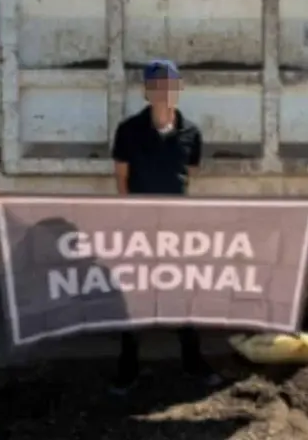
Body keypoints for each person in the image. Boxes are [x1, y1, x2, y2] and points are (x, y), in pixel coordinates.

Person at [108, 59, 222, 395]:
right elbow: (122, 180)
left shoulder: (192, 133)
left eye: (169, 84)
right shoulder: (128, 131)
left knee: (182, 295)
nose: (163, 92)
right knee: (134, 297)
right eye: (156, 85)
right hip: (140, 229)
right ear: (146, 91)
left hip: (177, 230)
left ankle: (192, 362)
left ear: (179, 88)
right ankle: (128, 367)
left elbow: (190, 176)